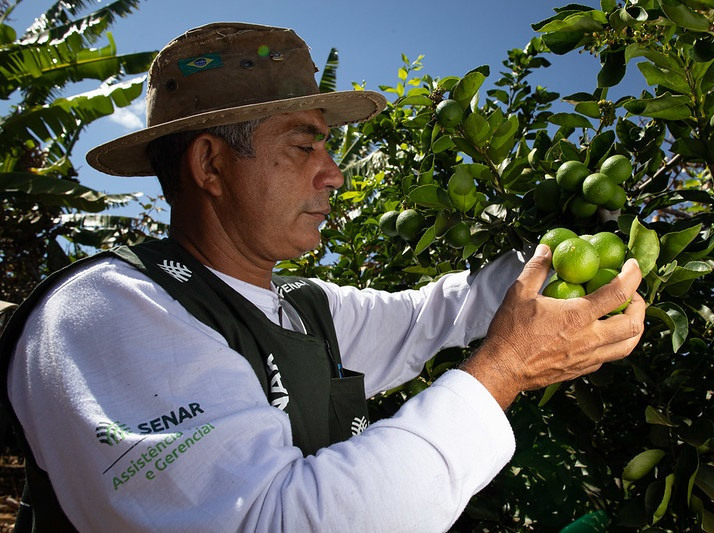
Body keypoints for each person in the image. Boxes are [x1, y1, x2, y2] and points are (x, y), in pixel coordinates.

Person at [0, 22, 645, 532]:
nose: (333, 172)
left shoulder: (301, 309)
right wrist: (507, 370)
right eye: (305, 145)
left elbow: (437, 315)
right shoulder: (106, 315)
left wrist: (564, 245)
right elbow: (271, 521)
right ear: (210, 164)